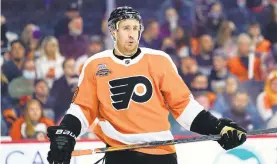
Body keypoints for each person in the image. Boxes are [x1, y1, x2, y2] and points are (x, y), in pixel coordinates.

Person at [47, 6, 247, 164]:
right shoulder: (95, 64)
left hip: (161, 155)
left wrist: (217, 128)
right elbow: (83, 108)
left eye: (136, 28)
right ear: (113, 31)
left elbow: (184, 107)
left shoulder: (159, 60)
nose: (132, 34)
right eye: (126, 28)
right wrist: (67, 132)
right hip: (119, 155)